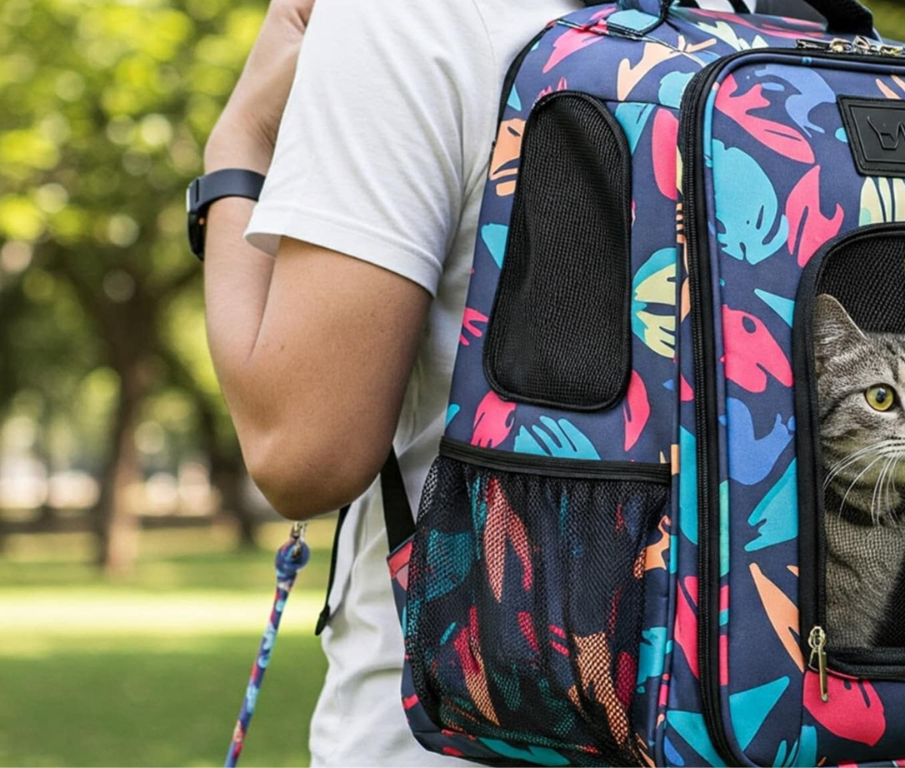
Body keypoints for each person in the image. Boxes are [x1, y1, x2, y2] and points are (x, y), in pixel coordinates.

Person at [204, 0, 802, 764]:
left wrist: (238, 147)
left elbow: (300, 453)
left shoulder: (408, 17)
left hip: (484, 732)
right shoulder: (777, 20)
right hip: (780, 720)